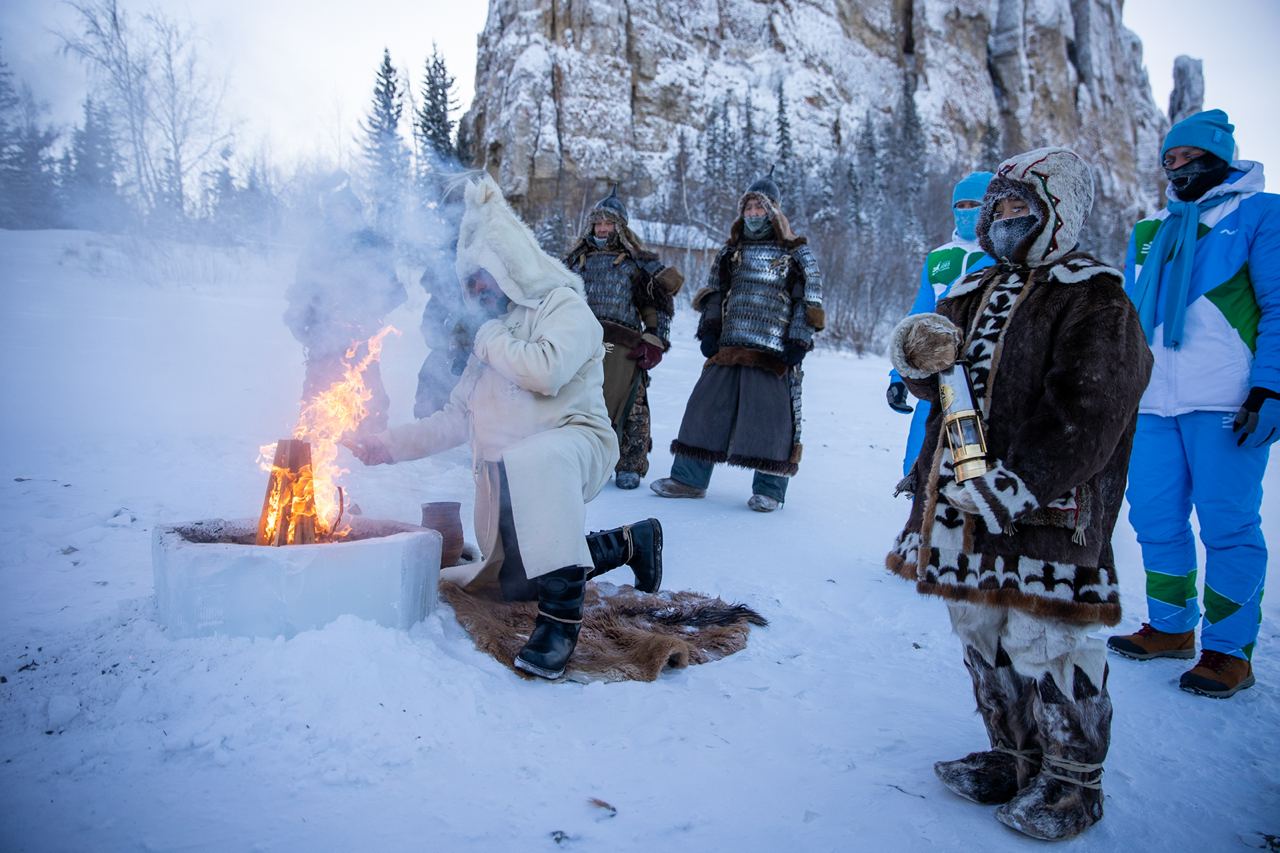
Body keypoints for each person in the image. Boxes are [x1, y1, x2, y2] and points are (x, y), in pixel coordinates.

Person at [885, 147, 1151, 840]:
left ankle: (1072, 783)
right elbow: (940, 388)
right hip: (960, 505)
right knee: (982, 628)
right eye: (997, 210)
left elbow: (1090, 412)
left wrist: (1015, 484)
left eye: (1019, 209)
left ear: (1057, 212)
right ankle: (1014, 754)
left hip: (1049, 510)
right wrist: (915, 356)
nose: (1004, 222)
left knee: (1051, 637)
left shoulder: (1097, 296)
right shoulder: (972, 290)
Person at [346, 175, 662, 680]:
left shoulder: (564, 307)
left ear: (509, 268)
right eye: (468, 282)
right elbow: (455, 417)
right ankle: (630, 542)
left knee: (539, 460)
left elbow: (544, 371)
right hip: (510, 476)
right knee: (516, 580)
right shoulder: (489, 337)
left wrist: (488, 335)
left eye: (483, 279)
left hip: (574, 443)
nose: (475, 291)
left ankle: (560, 623)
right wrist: (386, 446)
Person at [1108, 109, 1279, 698]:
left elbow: (1279, 306)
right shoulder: (1150, 229)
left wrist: (1270, 387)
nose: (1176, 168)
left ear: (1218, 156)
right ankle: (1172, 627)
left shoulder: (1261, 213)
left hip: (1227, 401)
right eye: (1168, 161)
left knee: (1228, 526)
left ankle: (1230, 652)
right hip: (1153, 402)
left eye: (1186, 158)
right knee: (1154, 518)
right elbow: (1131, 318)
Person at [650, 168, 824, 512]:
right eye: (749, 209)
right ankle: (688, 479)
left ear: (773, 211)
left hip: (774, 351)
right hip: (730, 347)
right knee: (704, 410)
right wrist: (710, 330)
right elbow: (715, 294)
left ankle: (770, 489)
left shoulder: (796, 254)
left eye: (760, 209)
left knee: (771, 421)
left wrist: (798, 341)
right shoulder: (731, 252)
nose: (754, 215)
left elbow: (809, 301)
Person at [563, 185, 684, 489]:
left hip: (624, 347)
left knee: (632, 406)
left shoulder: (636, 263)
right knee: (578, 404)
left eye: (609, 223)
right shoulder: (574, 261)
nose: (602, 229)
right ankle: (578, 460)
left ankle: (629, 463)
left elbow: (656, 305)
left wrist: (655, 341)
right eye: (598, 223)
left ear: (620, 227)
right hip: (581, 343)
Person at [887, 171, 995, 478]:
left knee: (969, 467)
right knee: (920, 462)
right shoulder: (938, 259)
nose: (965, 211)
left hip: (981, 377)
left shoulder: (1002, 256)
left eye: (974, 204)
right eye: (959, 205)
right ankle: (919, 522)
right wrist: (899, 375)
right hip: (936, 374)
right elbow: (916, 316)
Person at [283, 175, 405, 435]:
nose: (342, 216)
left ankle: (371, 439)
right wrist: (300, 320)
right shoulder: (318, 246)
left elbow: (394, 291)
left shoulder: (372, 244)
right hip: (323, 331)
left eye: (347, 211)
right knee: (317, 388)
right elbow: (302, 288)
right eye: (336, 211)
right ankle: (313, 436)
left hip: (360, 333)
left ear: (356, 212)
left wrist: (369, 313)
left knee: (368, 388)